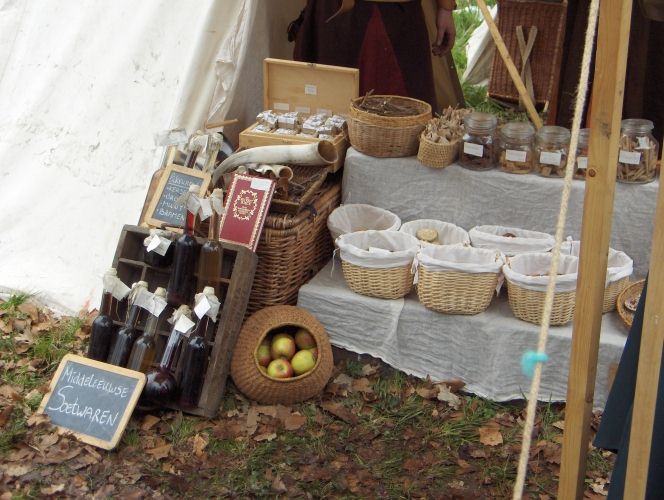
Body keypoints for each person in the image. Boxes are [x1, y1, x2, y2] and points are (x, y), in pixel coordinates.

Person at [292, 0, 459, 112]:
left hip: (395, 18)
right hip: (336, 17)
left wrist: (445, 7)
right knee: (329, 120)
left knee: (400, 124)